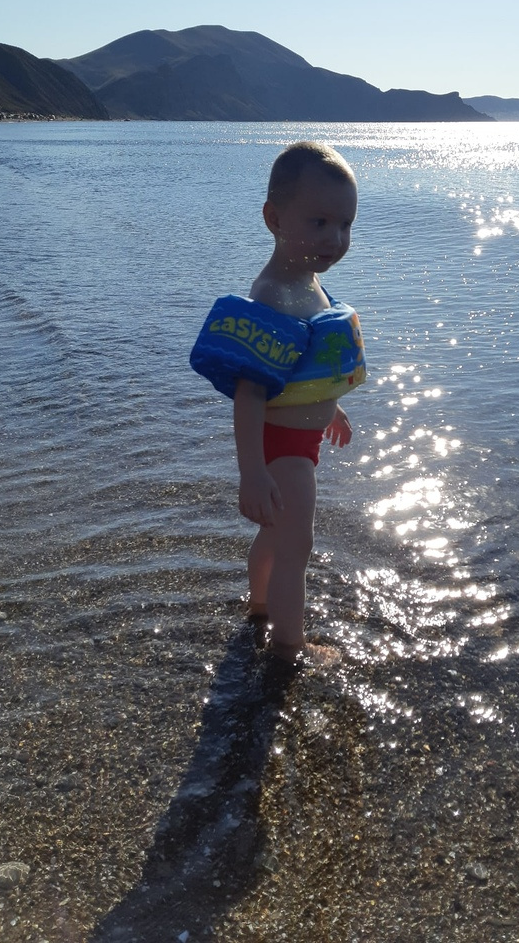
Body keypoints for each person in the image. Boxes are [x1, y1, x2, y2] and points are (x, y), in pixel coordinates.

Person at [190, 142, 366, 664]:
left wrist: (330, 408)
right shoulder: (274, 294)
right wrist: (252, 473)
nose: (335, 239)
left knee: (275, 536)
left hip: (297, 439)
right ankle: (291, 647)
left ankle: (261, 608)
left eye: (345, 225)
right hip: (282, 448)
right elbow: (251, 393)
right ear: (274, 218)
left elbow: (300, 372)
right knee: (297, 548)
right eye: (319, 222)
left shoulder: (307, 284)